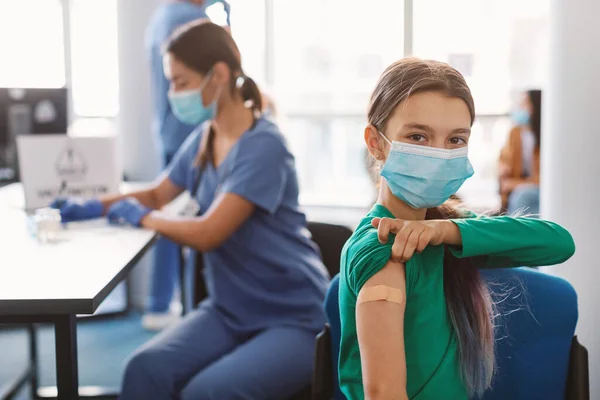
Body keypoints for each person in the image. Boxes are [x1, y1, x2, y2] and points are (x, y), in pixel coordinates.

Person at [52, 20, 328, 399]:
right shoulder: (205, 138)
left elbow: (208, 232)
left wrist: (143, 217)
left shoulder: (265, 146)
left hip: (293, 320)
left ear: (217, 75)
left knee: (206, 393)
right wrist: (92, 206)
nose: (172, 93)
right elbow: (155, 194)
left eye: (180, 82)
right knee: (143, 370)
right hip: (230, 310)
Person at [338, 58, 574, 400]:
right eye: (418, 136)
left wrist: (446, 232)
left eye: (455, 140)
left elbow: (558, 243)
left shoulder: (445, 229)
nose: (438, 154)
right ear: (375, 142)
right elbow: (385, 394)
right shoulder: (385, 247)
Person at [143, 0, 232, 330]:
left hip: (170, 133)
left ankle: (162, 302)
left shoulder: (160, 18)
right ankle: (169, 305)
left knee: (178, 217)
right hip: (185, 133)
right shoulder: (191, 20)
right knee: (181, 218)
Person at [498, 89, 542, 216]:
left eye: (525, 103)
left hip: (535, 189)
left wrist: (516, 184)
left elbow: (544, 179)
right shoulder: (515, 133)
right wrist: (503, 169)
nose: (520, 108)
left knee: (524, 195)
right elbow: (503, 159)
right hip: (518, 187)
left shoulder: (546, 136)